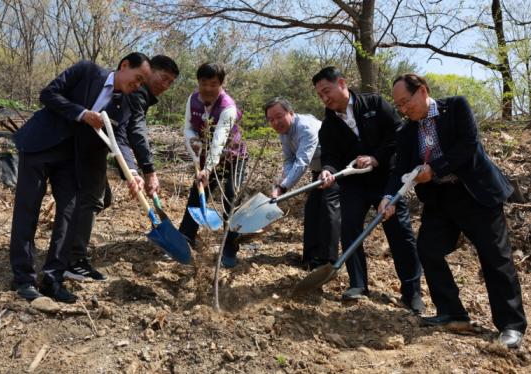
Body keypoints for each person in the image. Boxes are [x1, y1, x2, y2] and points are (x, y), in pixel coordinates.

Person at [380, 73, 527, 348]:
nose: (403, 109)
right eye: (398, 105)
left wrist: (434, 169)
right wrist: (388, 196)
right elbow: (399, 169)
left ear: (422, 91)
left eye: (406, 101)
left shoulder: (456, 107)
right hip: (440, 199)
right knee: (428, 248)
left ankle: (511, 325)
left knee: (495, 257)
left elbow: (468, 146)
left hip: (476, 194)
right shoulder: (406, 131)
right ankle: (451, 311)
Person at [10, 53, 150, 302]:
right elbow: (48, 94)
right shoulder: (87, 71)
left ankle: (53, 278)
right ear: (124, 66)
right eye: (137, 78)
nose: (137, 85)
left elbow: (120, 139)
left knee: (70, 213)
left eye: (142, 83)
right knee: (27, 210)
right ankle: (23, 279)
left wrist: (133, 172)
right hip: (40, 145)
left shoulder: (125, 104)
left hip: (71, 159)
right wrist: (82, 114)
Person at [312, 66, 424, 314]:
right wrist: (328, 170)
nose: (325, 98)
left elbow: (397, 135)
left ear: (341, 83)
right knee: (349, 227)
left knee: (400, 231)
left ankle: (412, 292)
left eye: (327, 91)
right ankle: (358, 284)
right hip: (353, 185)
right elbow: (329, 156)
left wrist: (375, 158)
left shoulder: (374, 103)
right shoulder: (328, 126)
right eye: (320, 95)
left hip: (387, 179)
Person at [64, 54, 179, 282]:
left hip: (96, 145)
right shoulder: (135, 91)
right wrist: (148, 170)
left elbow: (122, 134)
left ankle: (68, 239)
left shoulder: (137, 92)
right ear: (148, 72)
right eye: (163, 78)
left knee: (101, 199)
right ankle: (73, 259)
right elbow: (135, 132)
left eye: (170, 82)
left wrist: (134, 171)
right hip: (82, 143)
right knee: (91, 198)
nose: (165, 86)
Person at [179, 62, 247, 268]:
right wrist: (193, 141)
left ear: (221, 84)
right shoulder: (193, 99)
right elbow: (188, 127)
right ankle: (184, 240)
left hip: (234, 158)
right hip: (206, 155)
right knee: (196, 196)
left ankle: (229, 249)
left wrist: (208, 169)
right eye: (204, 83)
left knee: (232, 196)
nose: (208, 88)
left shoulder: (228, 107)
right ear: (198, 82)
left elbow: (219, 140)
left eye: (213, 84)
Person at [265, 97, 340, 269]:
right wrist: (280, 184)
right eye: (271, 120)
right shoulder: (284, 133)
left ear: (291, 113)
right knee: (312, 208)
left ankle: (327, 262)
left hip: (336, 167)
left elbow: (302, 162)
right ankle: (310, 258)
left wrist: (283, 187)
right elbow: (289, 160)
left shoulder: (305, 127)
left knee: (328, 207)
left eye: (279, 116)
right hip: (319, 171)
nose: (276, 122)